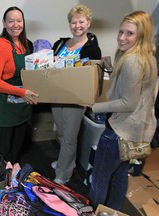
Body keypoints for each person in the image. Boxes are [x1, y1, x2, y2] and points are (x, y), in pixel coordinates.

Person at [88, 11, 158, 210]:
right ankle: (111, 213)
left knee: (99, 180)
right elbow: (133, 88)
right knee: (120, 177)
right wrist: (110, 69)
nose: (121, 37)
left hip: (120, 133)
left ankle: (95, 211)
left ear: (141, 35)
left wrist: (94, 106)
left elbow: (128, 102)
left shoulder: (131, 61)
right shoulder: (148, 57)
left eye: (129, 34)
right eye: (121, 32)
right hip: (140, 133)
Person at [51, 4, 102, 184]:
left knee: (70, 137)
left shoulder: (92, 48)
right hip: (56, 95)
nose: (77, 26)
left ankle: (62, 174)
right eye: (74, 22)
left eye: (81, 21)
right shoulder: (60, 44)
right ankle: (67, 163)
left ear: (88, 23)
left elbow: (91, 75)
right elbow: (47, 69)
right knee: (62, 134)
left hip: (75, 98)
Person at [0, 6, 38, 164]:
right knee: (4, 147)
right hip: (6, 106)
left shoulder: (26, 44)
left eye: (19, 20)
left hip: (22, 104)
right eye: (10, 21)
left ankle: (12, 178)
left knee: (18, 145)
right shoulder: (0, 45)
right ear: (4, 23)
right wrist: (22, 92)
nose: (15, 25)